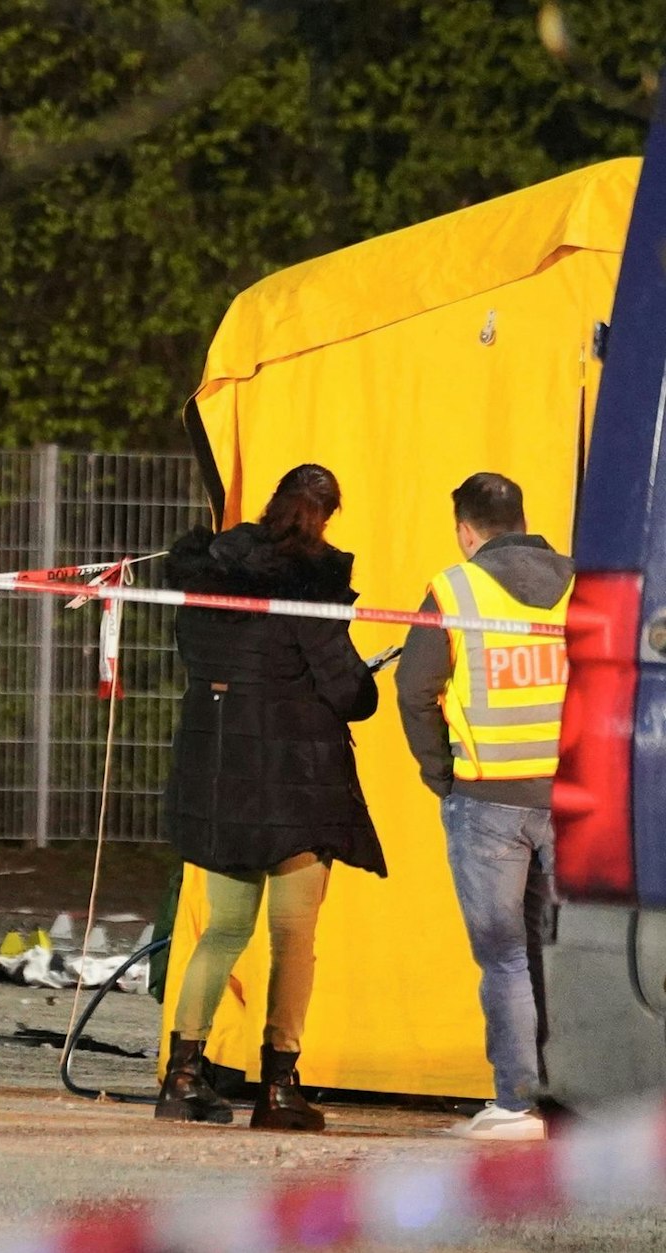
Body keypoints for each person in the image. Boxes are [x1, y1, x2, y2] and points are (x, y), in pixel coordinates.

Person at [156, 464, 385, 1132]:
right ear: (327, 514)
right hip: (296, 783)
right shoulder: (310, 581)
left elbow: (206, 663)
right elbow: (349, 692)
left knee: (224, 930)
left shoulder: (210, 570)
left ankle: (183, 1076)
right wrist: (365, 679)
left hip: (220, 774)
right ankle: (279, 1088)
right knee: (293, 938)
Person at [397, 473, 572, 1142]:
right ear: (521, 518)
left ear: (468, 530)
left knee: (504, 956)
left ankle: (516, 1102)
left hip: (486, 801)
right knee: (553, 950)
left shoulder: (454, 588)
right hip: (567, 799)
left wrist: (440, 773)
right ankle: (567, 1096)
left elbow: (414, 690)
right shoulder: (581, 583)